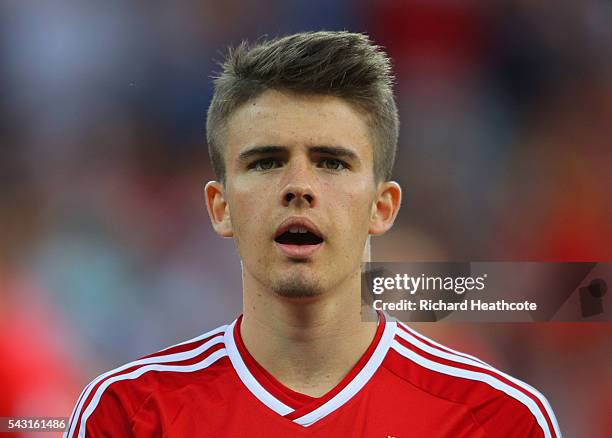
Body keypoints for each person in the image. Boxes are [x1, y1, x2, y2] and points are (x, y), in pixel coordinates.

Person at [64, 31, 560, 437]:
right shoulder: (126, 414)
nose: (299, 186)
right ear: (221, 208)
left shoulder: (497, 419)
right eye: (266, 162)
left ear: (382, 207)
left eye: (331, 162)